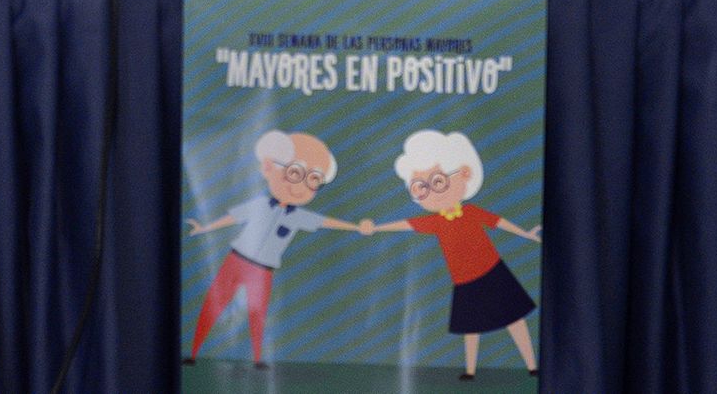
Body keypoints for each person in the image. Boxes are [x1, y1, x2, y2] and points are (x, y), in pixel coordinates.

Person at [359, 129, 540, 380]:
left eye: (438, 181)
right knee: (471, 328)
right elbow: (408, 224)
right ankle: (470, 370)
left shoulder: (472, 211)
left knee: (515, 319)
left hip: (493, 271)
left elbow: (498, 221)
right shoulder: (436, 222)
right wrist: (376, 227)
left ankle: (532, 365)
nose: (432, 192)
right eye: (421, 188)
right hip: (464, 280)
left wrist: (526, 234)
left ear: (464, 174)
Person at [185, 130, 360, 366]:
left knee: (258, 314)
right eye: (295, 172)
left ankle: (258, 359)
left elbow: (325, 222)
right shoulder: (259, 204)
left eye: (314, 179)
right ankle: (194, 353)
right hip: (236, 261)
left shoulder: (298, 216)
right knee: (213, 305)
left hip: (262, 270)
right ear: (269, 168)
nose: (301, 185)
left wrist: (356, 227)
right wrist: (203, 229)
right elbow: (232, 218)